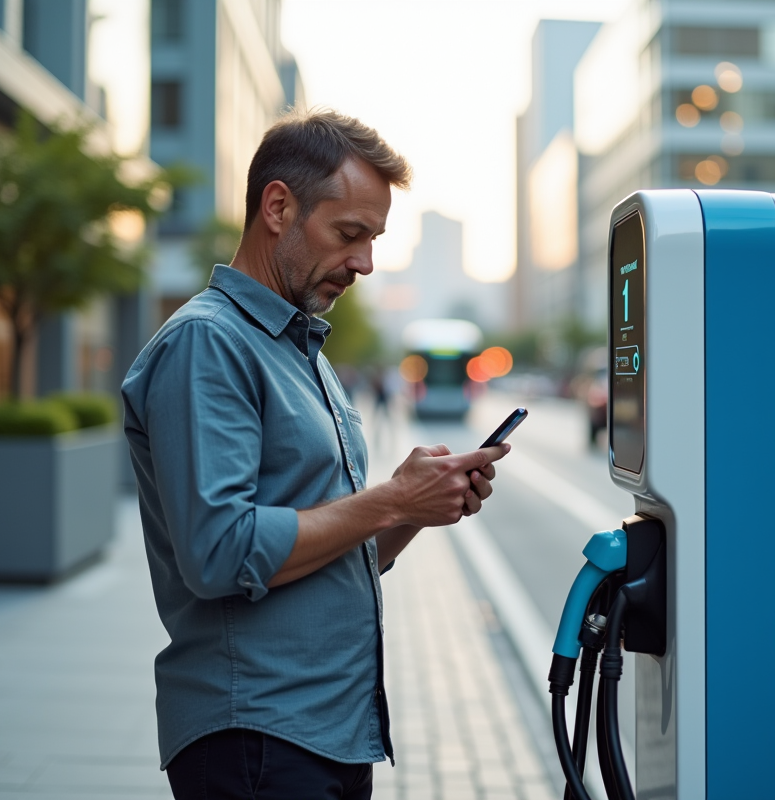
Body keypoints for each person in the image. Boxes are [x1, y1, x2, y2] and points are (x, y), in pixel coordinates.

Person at [121, 108, 509, 799]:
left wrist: (415, 510)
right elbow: (220, 552)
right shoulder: (209, 343)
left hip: (325, 732)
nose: (364, 262)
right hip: (257, 738)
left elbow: (329, 557)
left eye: (373, 240)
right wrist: (389, 498)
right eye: (349, 234)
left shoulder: (303, 352)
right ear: (277, 207)